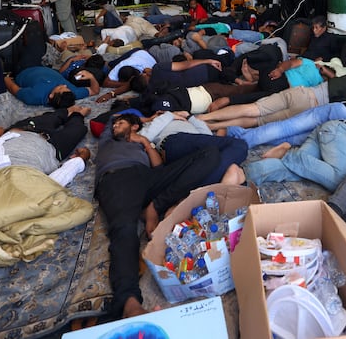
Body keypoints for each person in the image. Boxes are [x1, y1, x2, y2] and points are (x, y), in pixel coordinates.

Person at [94, 114, 240, 318]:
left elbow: (158, 168)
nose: (116, 125)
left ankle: (155, 206)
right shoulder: (107, 140)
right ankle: (129, 301)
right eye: (115, 123)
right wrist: (132, 118)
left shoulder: (141, 141)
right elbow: (107, 119)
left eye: (121, 123)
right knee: (124, 228)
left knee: (210, 154)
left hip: (147, 176)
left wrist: (144, 142)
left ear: (134, 127)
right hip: (116, 179)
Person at [0, 106, 92, 197]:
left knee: (52, 117)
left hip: (20, 132)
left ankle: (68, 110)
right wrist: (78, 161)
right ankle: (77, 115)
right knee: (79, 129)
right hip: (52, 149)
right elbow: (52, 184)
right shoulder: (14, 198)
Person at [227, 84, 346, 148]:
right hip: (344, 127)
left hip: (341, 111)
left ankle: (242, 139)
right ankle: (240, 135)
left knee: (287, 126)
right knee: (295, 139)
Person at [198, 72, 346, 130]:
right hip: (306, 109)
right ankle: (211, 126)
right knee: (255, 121)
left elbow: (334, 79)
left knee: (252, 109)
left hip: (300, 93)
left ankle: (202, 119)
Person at [5, 65, 100, 107]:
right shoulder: (71, 93)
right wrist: (91, 77)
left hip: (25, 68)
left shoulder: (34, 96)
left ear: (51, 96)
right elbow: (94, 91)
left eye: (60, 88)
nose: (64, 85)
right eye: (66, 87)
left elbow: (13, 88)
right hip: (48, 68)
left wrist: (5, 78)